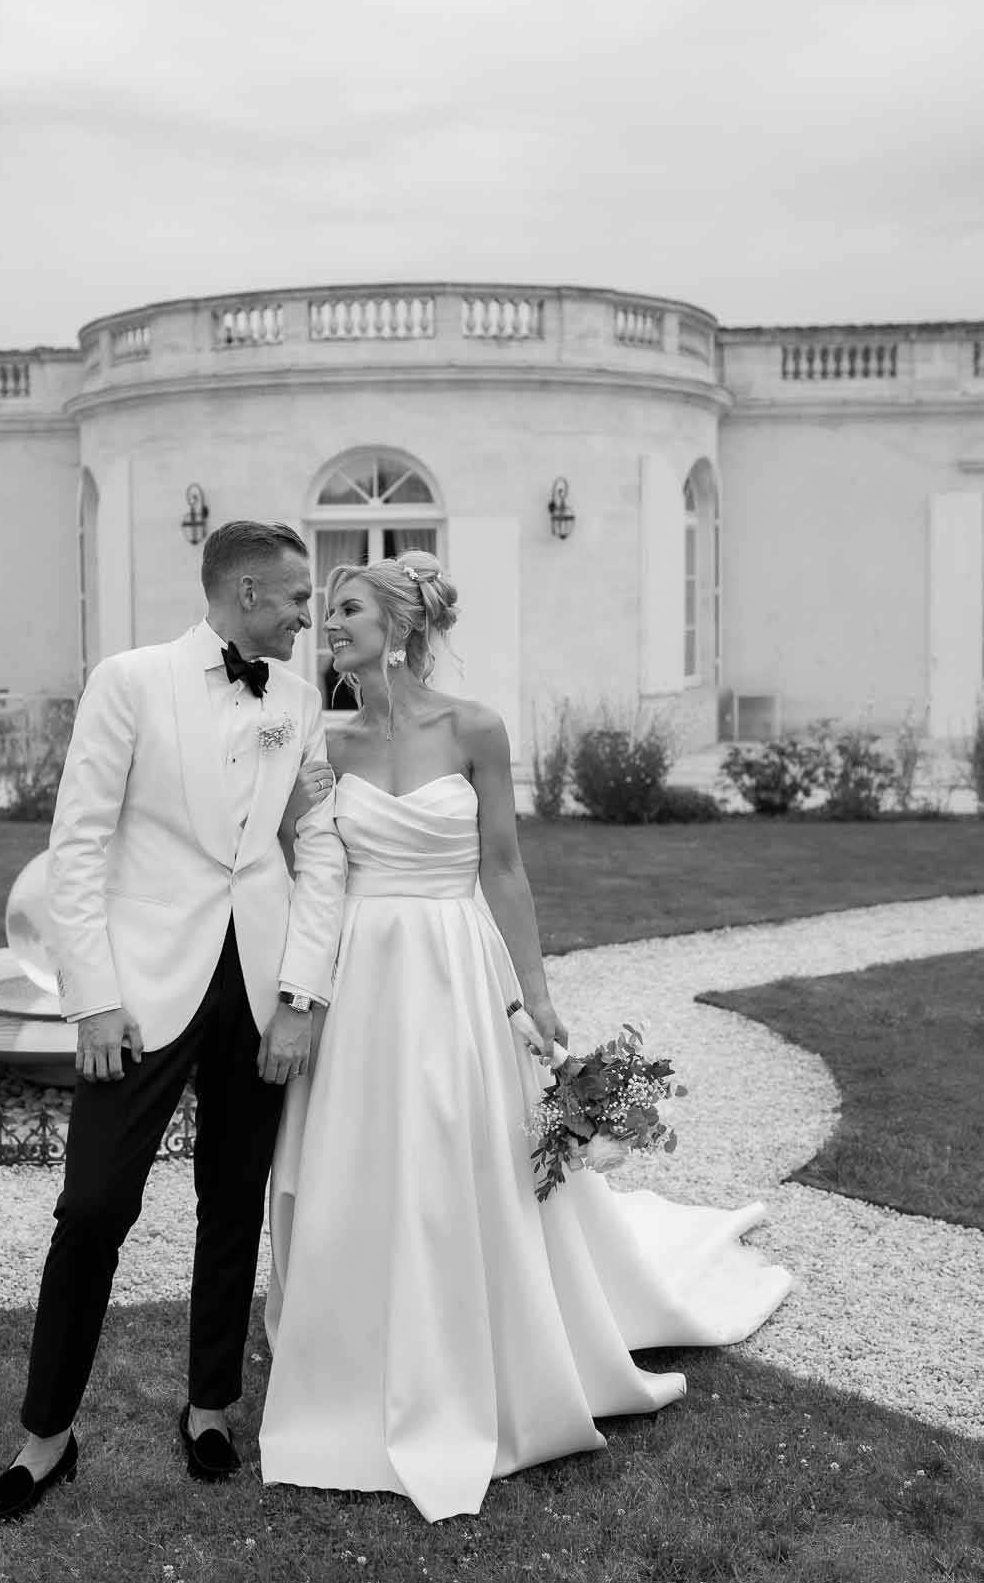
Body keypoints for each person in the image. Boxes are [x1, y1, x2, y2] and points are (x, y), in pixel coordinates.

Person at [260, 549, 792, 1523]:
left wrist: (538, 997)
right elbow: (315, 879)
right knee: (365, 1155)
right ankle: (355, 1348)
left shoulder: (476, 728)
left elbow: (503, 868)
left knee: (462, 1146)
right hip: (366, 973)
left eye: (345, 610)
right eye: (325, 612)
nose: (328, 626)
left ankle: (479, 1342)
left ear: (401, 624)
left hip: (455, 967)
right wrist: (299, 995)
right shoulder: (327, 744)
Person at [0, 521, 346, 1526]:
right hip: (138, 990)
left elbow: (322, 857)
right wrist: (91, 995)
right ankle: (45, 1438)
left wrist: (302, 995)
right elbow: (78, 845)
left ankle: (210, 1405)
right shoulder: (129, 680)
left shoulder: (302, 701)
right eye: (298, 596)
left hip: (258, 986)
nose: (310, 614)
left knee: (234, 1199)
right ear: (248, 589)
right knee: (92, 1206)